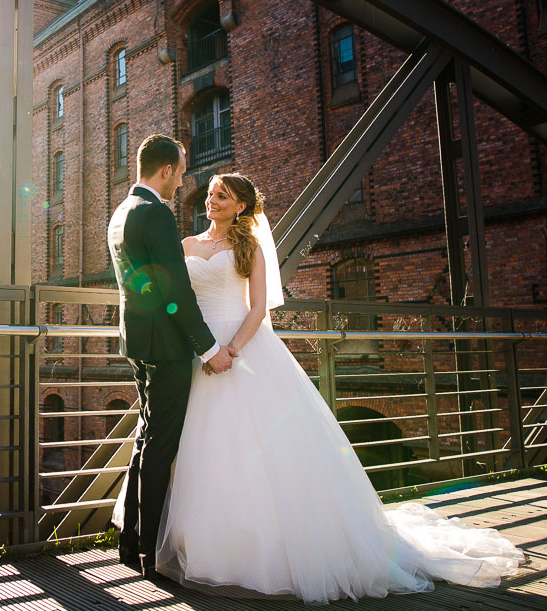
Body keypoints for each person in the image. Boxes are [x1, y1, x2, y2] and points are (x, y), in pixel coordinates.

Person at [154, 172, 524, 603]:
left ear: (241, 206)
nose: (212, 200)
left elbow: (258, 308)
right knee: (205, 448)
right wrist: (201, 349)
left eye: (223, 195)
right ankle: (203, 542)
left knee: (256, 449)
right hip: (199, 354)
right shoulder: (187, 246)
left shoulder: (249, 247)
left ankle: (261, 550)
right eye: (212, 193)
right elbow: (175, 299)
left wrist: (232, 350)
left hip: (242, 352)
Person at [106, 134, 238, 578]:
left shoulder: (121, 213)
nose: (181, 182)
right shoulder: (156, 214)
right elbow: (174, 290)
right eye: (180, 173)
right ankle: (149, 555)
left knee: (146, 440)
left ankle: (130, 544)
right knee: (160, 446)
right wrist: (209, 347)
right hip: (167, 348)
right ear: (165, 171)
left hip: (137, 344)